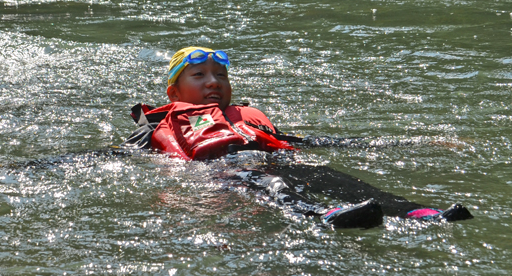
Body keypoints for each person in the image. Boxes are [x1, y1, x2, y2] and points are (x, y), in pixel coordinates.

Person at [123, 47, 473, 229]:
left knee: (335, 177)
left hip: (271, 158)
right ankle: (321, 214)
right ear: (174, 93)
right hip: (224, 173)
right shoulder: (160, 125)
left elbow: (320, 141)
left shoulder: (247, 119)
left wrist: (414, 143)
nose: (213, 81)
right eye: (198, 75)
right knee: (272, 183)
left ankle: (415, 212)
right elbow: (114, 156)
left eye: (221, 74)